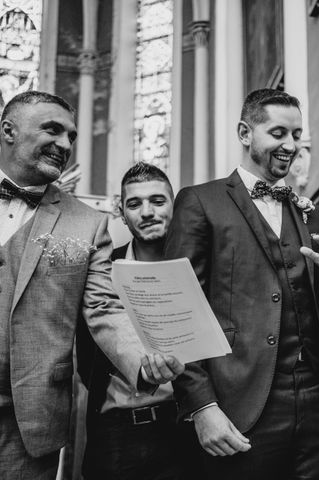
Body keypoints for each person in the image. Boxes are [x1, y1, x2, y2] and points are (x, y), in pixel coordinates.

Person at [164, 88, 319, 480]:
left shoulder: (313, 215)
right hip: (240, 406)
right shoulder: (200, 202)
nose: (290, 146)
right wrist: (202, 407)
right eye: (278, 134)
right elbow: (177, 313)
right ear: (245, 133)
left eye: (296, 135)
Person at [0, 91, 183, 480]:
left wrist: (143, 363)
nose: (65, 144)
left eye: (71, 136)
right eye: (53, 130)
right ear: (9, 131)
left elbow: (102, 307)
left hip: (29, 419)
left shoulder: (86, 223)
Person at [77, 162, 200, 479]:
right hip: (118, 433)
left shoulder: (199, 265)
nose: (147, 212)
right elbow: (86, 356)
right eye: (134, 203)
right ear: (122, 212)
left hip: (189, 427)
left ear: (174, 206)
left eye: (158, 201)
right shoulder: (103, 267)